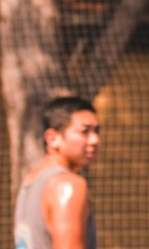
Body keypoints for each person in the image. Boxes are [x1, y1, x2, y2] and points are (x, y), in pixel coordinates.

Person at [14, 96, 101, 249]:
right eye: (84, 132)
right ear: (52, 138)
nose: (94, 140)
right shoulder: (67, 185)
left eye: (97, 131)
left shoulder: (31, 180)